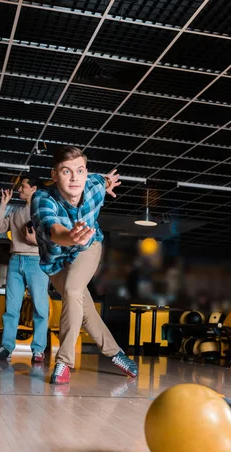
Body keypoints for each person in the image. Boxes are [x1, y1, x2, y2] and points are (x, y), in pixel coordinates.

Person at [31, 146, 138, 384]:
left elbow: (104, 179)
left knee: (72, 290)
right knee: (82, 306)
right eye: (66, 171)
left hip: (89, 248)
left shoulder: (94, 185)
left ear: (86, 172)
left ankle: (63, 362)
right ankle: (117, 353)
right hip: (56, 260)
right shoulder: (42, 198)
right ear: (54, 174)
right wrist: (70, 237)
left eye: (79, 171)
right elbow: (54, 230)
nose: (74, 178)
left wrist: (109, 183)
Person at [0, 177, 49, 362]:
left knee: (40, 307)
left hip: (36, 261)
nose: (19, 189)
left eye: (23, 186)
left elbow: (54, 241)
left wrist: (37, 242)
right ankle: (6, 347)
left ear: (33, 188)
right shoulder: (16, 213)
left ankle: (38, 350)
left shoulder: (44, 212)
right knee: (11, 308)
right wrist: (2, 205)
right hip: (15, 260)